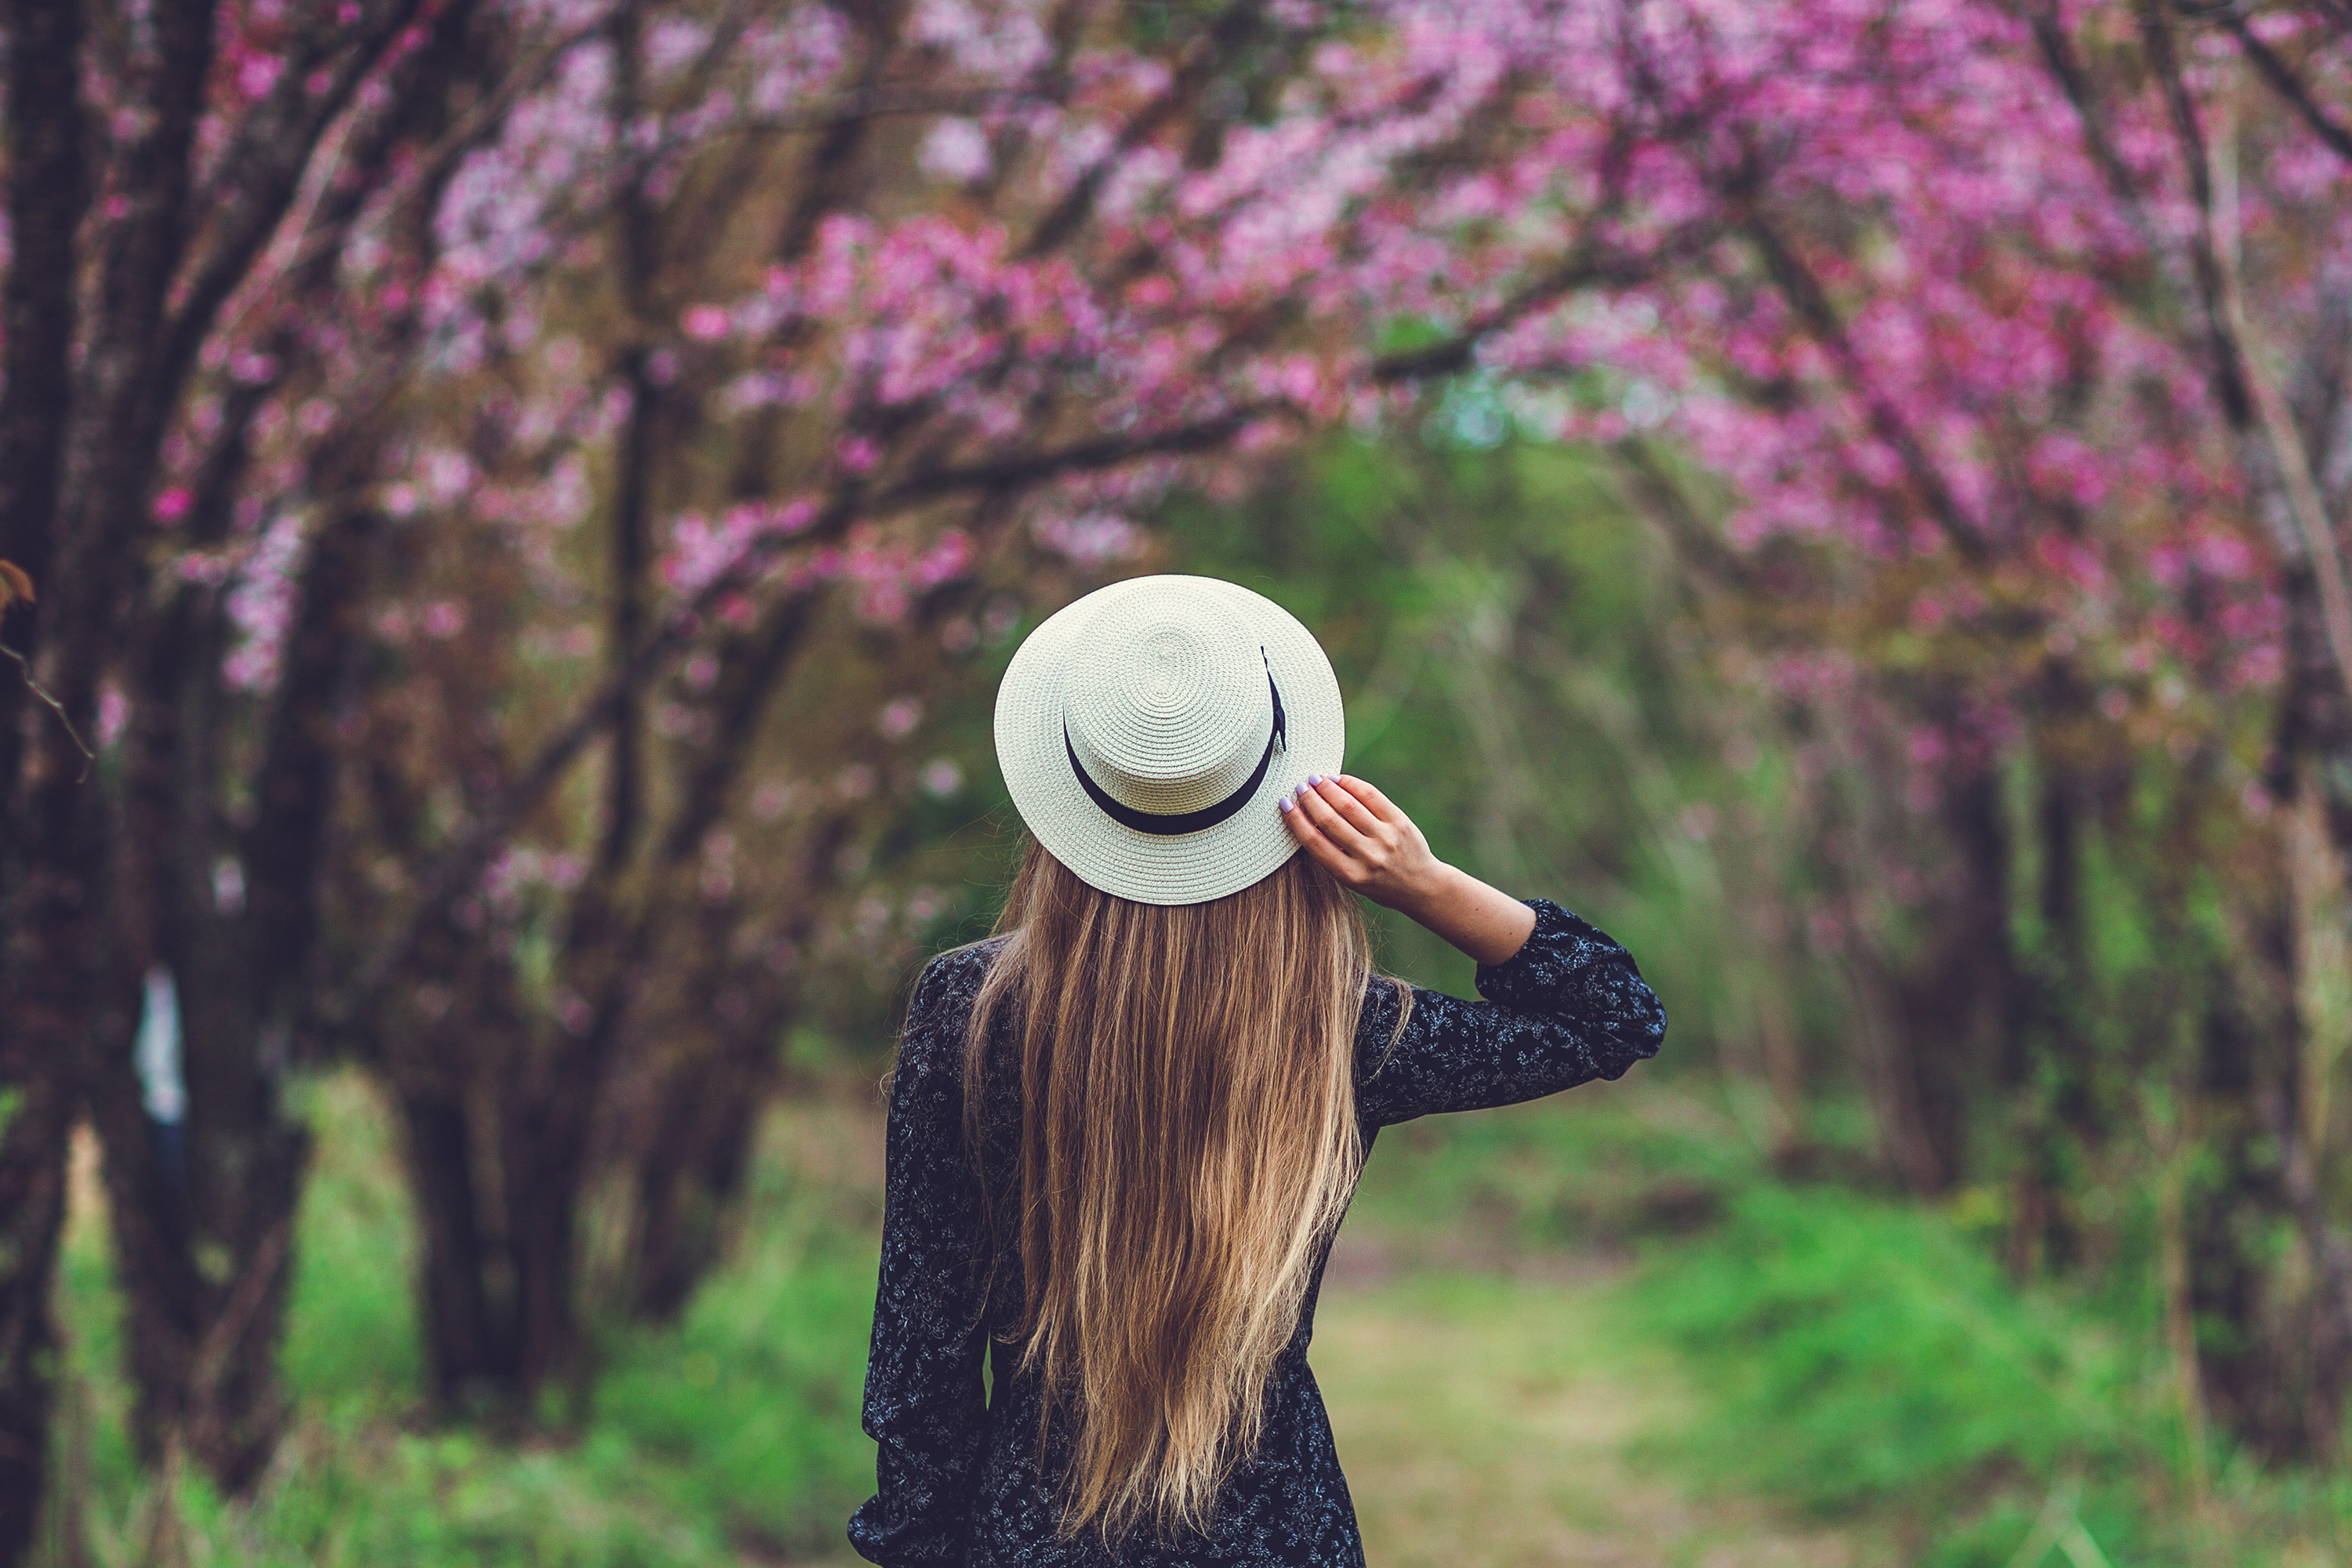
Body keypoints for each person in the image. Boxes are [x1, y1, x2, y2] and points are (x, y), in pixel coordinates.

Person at [849, 575, 1666, 1566]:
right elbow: (1613, 1014)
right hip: (1280, 1536)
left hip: (1035, 1536)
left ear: (1067, 797)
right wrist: (1427, 883)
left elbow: (923, 1353)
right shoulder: (1343, 1029)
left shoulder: (974, 1012)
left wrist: (921, 1543)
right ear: (1286, 793)